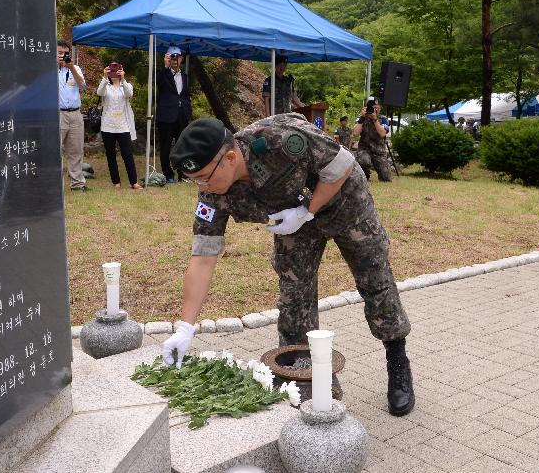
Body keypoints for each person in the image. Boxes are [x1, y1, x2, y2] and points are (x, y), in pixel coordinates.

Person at [161, 114, 415, 417]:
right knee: (294, 293)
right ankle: (307, 376)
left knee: (375, 280)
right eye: (195, 181)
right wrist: (186, 328)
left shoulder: (278, 139)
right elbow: (203, 257)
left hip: (345, 202)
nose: (201, 186)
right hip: (296, 224)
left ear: (229, 158)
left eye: (204, 177)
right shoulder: (212, 194)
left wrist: (308, 210)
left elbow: (341, 163)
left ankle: (397, 362)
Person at [97, 64, 141, 190]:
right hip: (108, 125)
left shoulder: (125, 86)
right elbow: (99, 92)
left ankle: (134, 182)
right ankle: (116, 181)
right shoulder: (106, 86)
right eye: (112, 70)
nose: (114, 73)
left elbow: (129, 94)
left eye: (117, 70)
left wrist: (123, 79)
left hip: (123, 125)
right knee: (110, 155)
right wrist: (105, 77)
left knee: (127, 154)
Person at [57, 40, 88, 192]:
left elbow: (83, 86)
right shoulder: (49, 70)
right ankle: (55, 185)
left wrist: (71, 68)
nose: (63, 56)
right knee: (54, 150)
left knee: (76, 150)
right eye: (60, 53)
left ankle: (77, 184)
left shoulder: (75, 68)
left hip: (75, 113)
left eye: (65, 53)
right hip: (58, 114)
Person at [156, 46, 191, 183]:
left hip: (181, 116)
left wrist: (188, 109)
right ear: (167, 58)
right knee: (165, 146)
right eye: (172, 57)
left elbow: (186, 95)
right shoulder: (163, 73)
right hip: (166, 116)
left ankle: (183, 173)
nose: (175, 60)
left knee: (182, 145)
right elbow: (157, 83)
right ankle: (168, 174)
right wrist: (165, 66)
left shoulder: (184, 76)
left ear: (181, 59)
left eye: (177, 57)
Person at [353, 99, 393, 182]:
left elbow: (382, 134)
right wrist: (362, 118)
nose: (375, 110)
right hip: (364, 149)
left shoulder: (383, 119)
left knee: (386, 178)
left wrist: (375, 119)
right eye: (373, 108)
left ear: (380, 108)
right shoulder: (361, 118)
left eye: (377, 108)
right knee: (363, 161)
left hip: (379, 151)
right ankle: (365, 176)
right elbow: (355, 133)